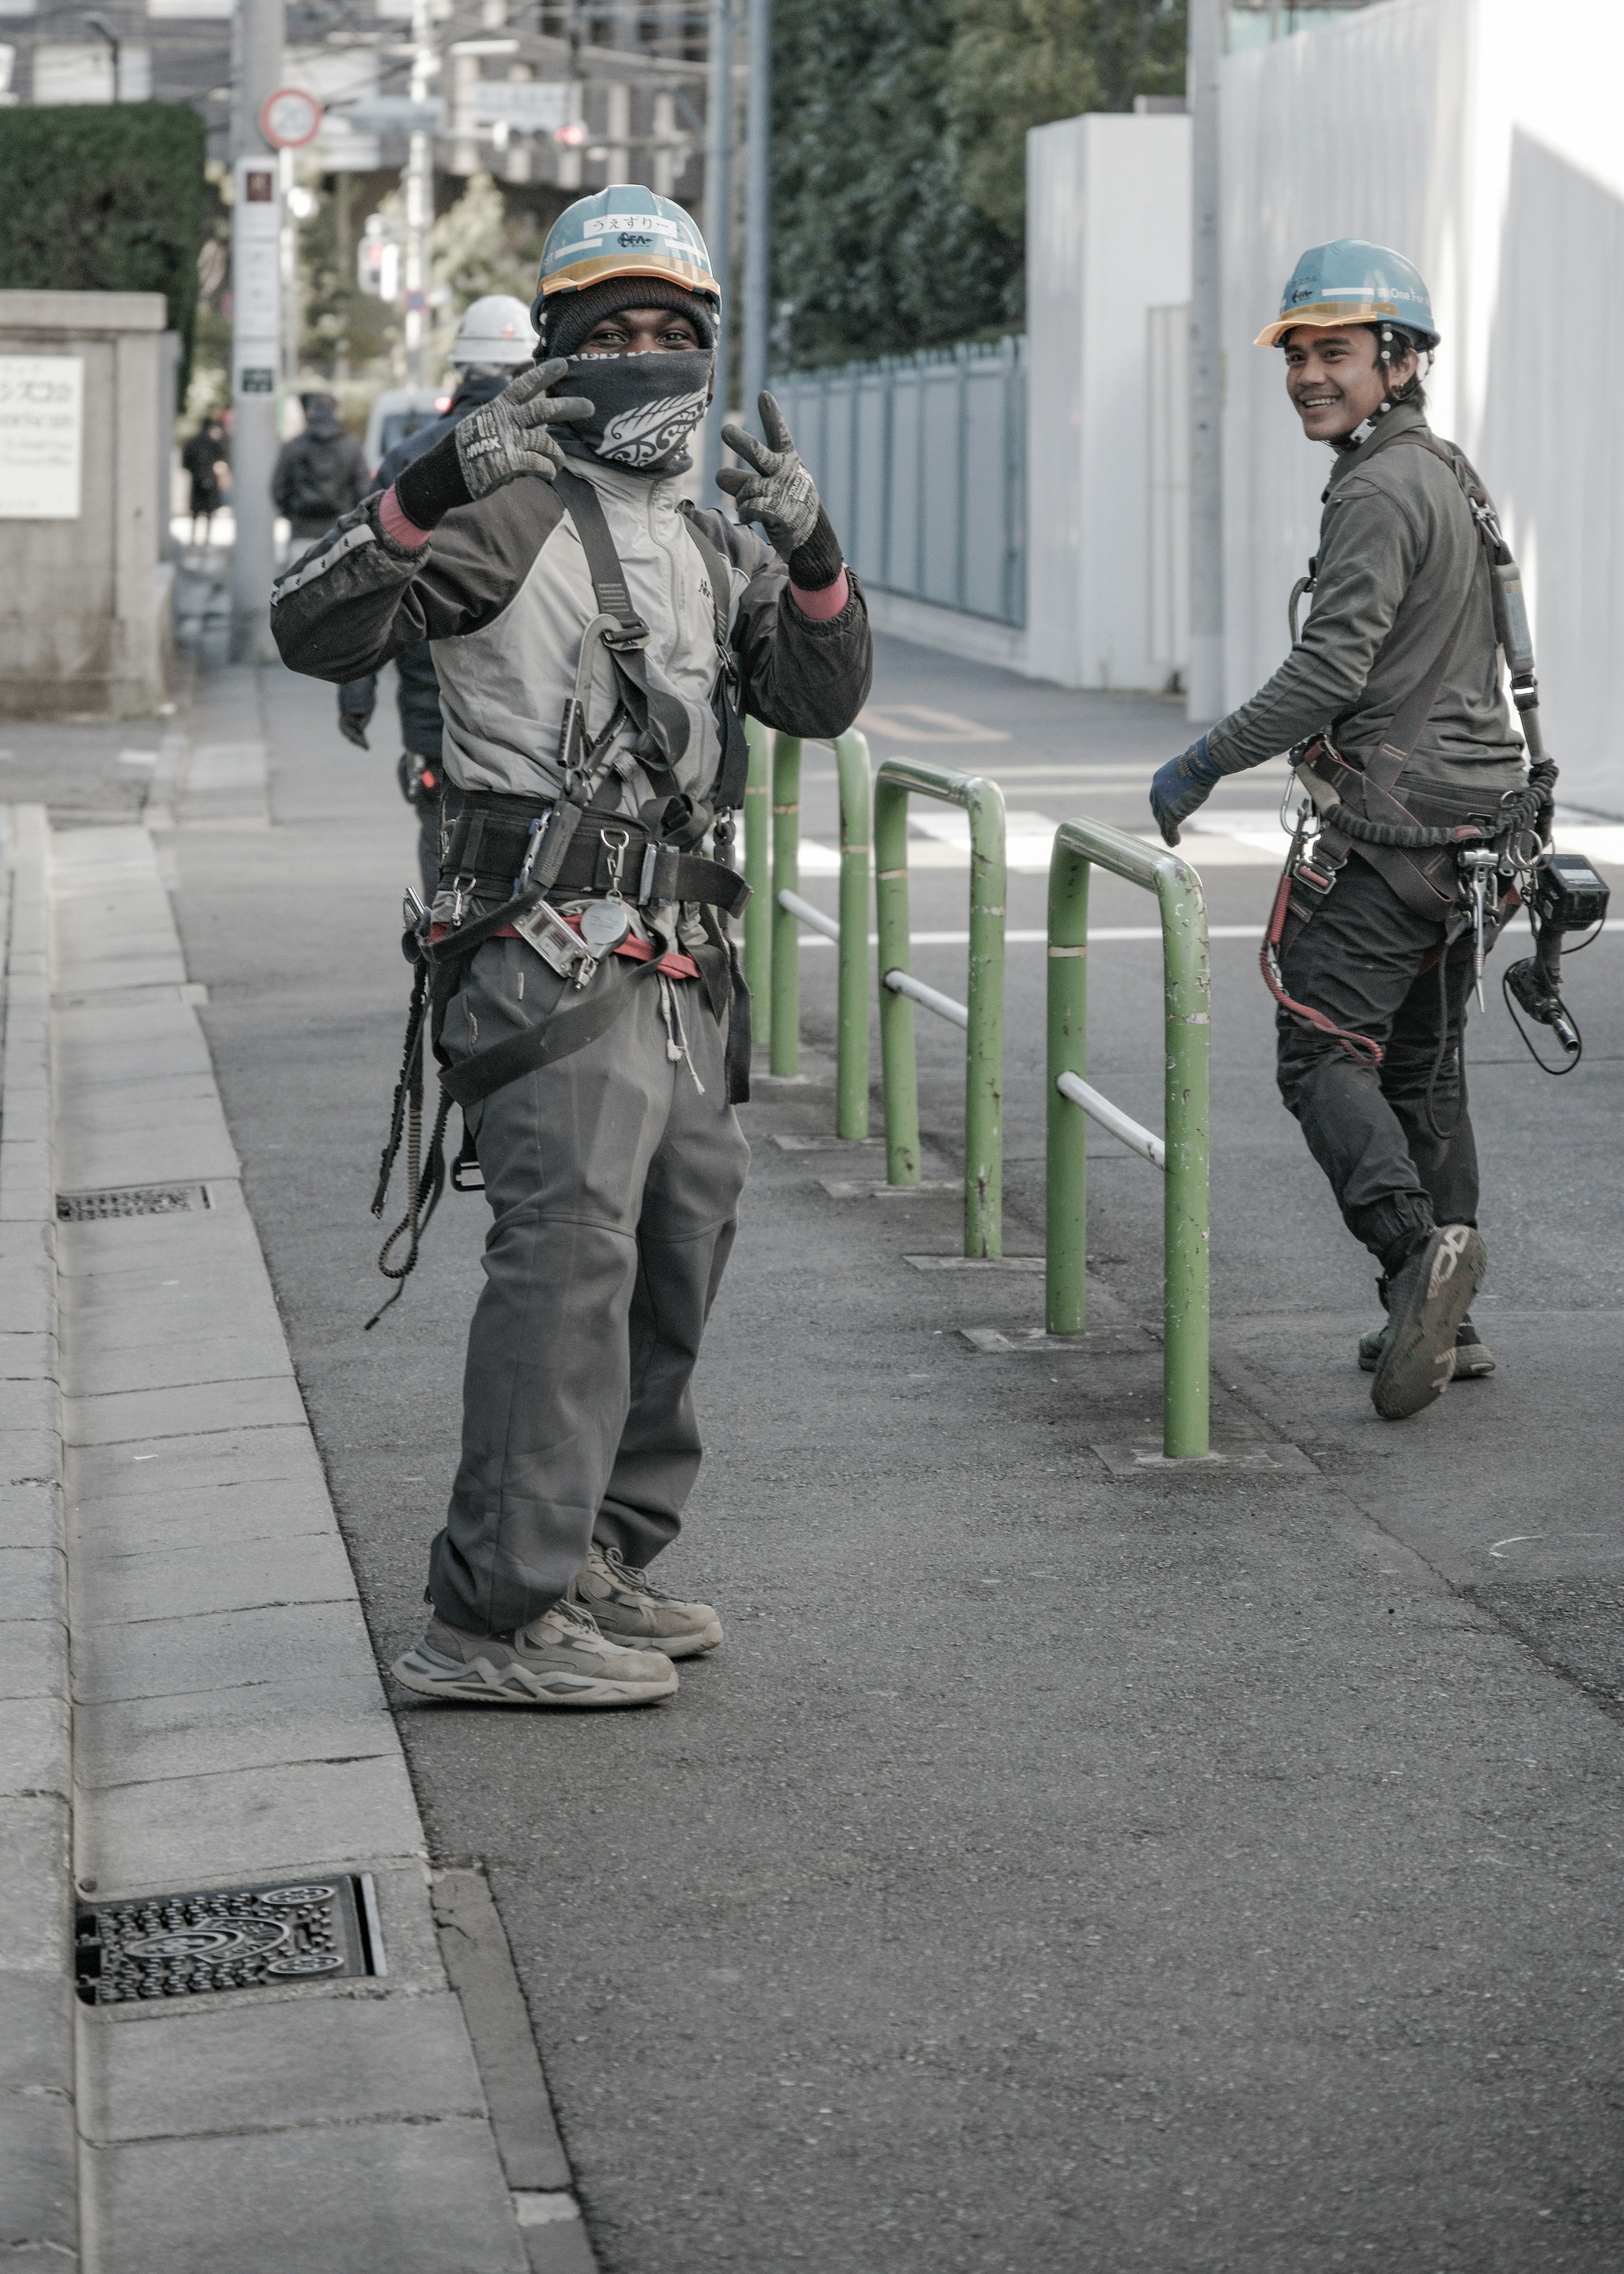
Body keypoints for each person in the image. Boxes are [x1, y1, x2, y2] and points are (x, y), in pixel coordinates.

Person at [269, 185, 871, 1708]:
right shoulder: (503, 508)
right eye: (614, 335)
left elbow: (816, 692)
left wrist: (812, 552)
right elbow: (311, 625)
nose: (648, 359)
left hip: (672, 961)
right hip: (537, 949)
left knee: (682, 1230)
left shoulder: (703, 527)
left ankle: (598, 1548)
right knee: (570, 1258)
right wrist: (422, 481)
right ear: (556, 351)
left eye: (675, 333)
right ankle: (492, 1606)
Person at [1149, 239, 1535, 1422]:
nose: (1311, 375)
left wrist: (1207, 758)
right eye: (1300, 354)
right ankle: (1448, 1322)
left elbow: (1330, 667)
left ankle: (1420, 1261)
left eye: (1338, 353)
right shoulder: (1450, 472)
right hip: (1480, 832)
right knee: (1419, 1067)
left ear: (1400, 360)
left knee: (1321, 1052)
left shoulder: (1376, 487)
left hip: (1393, 831)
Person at [337, 297, 539, 901]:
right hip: (541, 689)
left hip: (433, 694)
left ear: (461, 368)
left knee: (443, 829)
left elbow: (366, 575)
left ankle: (447, 972)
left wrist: (357, 688)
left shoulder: (409, 458)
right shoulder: (555, 458)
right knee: (544, 837)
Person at [272, 391, 371, 547]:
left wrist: (292, 515)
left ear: (308, 413)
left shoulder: (293, 447)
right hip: (341, 534)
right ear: (335, 413)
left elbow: (278, 489)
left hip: (302, 532)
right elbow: (364, 491)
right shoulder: (352, 447)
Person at [181, 414, 229, 543]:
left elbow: (185, 463)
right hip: (211, 480)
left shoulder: (193, 442)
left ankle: (194, 539)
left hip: (197, 481)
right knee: (209, 513)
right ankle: (206, 539)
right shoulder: (214, 443)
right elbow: (223, 459)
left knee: (196, 513)